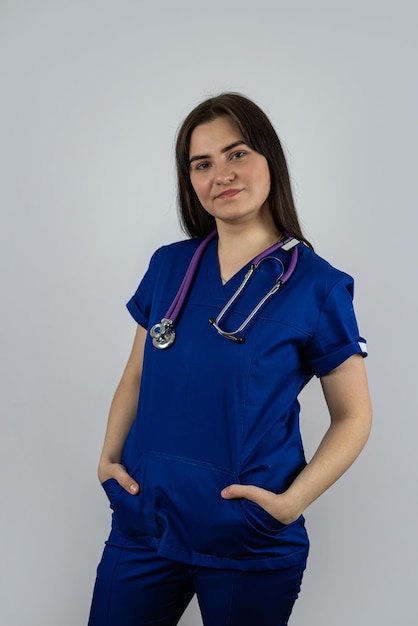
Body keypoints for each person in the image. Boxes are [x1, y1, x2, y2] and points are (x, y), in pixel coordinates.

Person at [88, 93, 372, 626]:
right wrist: (108, 461)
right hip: (146, 524)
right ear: (190, 181)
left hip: (248, 538)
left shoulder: (318, 287)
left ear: (269, 160)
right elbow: (136, 375)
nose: (222, 173)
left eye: (236, 153)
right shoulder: (169, 267)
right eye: (203, 163)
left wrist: (290, 504)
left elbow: (354, 416)